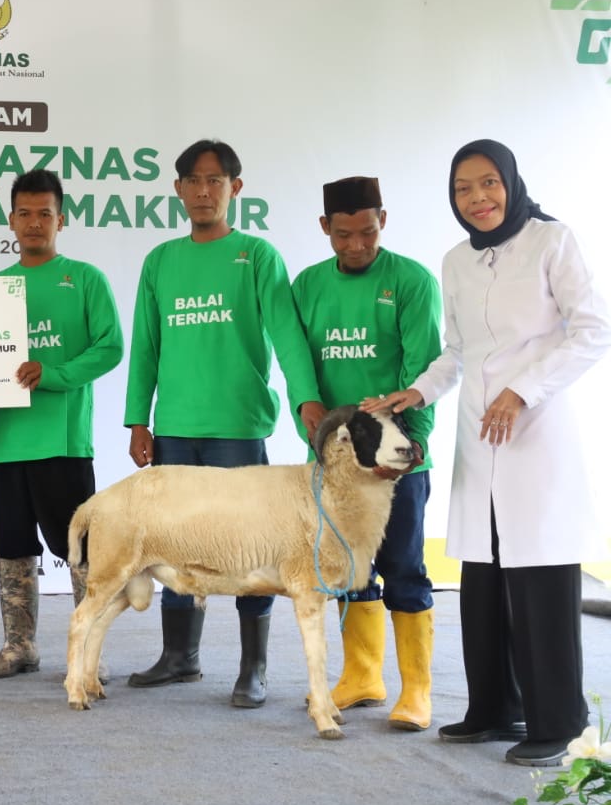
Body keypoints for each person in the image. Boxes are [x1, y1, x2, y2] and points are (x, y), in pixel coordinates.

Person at [364, 139, 611, 767]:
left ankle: (558, 719)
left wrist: (523, 392)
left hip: (535, 435)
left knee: (541, 580)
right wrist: (415, 391)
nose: (477, 199)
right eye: (462, 189)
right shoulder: (455, 261)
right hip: (479, 440)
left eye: (488, 183)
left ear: (510, 181)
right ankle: (494, 708)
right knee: (484, 580)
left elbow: (592, 331)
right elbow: (458, 351)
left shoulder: (552, 242)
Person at [124, 139, 324, 707]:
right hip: (176, 428)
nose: (205, 191)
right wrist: (139, 418)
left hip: (238, 427)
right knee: (174, 543)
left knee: (247, 548)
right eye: (194, 180)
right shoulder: (160, 260)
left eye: (216, 180)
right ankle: (179, 657)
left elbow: (287, 334)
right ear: (179, 189)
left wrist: (306, 400)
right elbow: (146, 346)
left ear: (235, 188)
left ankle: (252, 669)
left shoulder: (257, 255)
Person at [291, 176, 441, 731]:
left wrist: (412, 445)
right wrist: (307, 415)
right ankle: (362, 676)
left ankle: (417, 692)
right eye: (344, 234)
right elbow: (299, 364)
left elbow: (423, 368)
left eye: (368, 232)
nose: (356, 245)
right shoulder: (307, 285)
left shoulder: (411, 280)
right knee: (349, 568)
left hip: (396, 458)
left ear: (384, 219)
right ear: (325, 227)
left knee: (404, 566)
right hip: (336, 461)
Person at [0, 169, 123, 679]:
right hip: (5, 443)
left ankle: (88, 653)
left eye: (45, 213)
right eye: (24, 213)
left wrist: (53, 374)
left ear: (62, 218)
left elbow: (110, 347)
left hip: (62, 442)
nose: (34, 223)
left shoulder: (84, 278)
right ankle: (20, 647)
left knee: (80, 550)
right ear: (9, 219)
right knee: (12, 548)